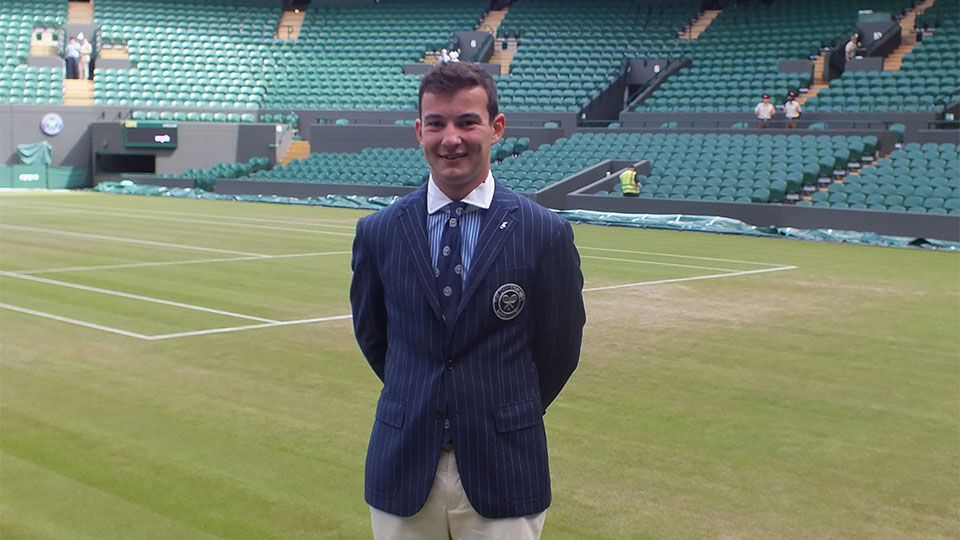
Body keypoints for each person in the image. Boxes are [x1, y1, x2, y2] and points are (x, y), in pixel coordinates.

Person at [350, 61, 586, 540]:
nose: (450, 138)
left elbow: (560, 348)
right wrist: (423, 395)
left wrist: (501, 410)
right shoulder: (379, 232)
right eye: (436, 123)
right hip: (403, 466)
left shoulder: (544, 232)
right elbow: (375, 338)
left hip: (505, 469)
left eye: (467, 122)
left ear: (495, 128)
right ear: (419, 131)